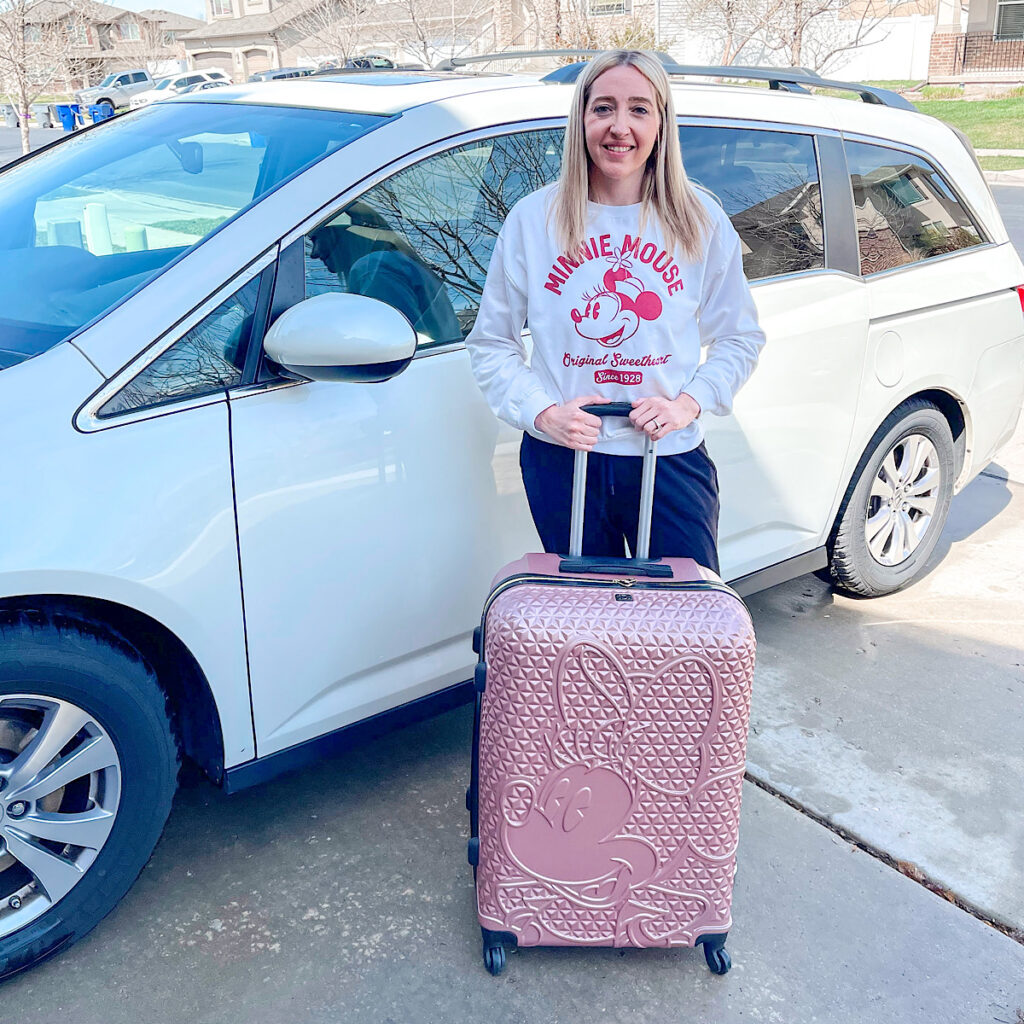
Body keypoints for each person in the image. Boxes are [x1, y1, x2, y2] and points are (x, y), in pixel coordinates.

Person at [464, 49, 767, 574]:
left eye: (638, 109)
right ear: (581, 118)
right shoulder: (535, 220)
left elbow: (740, 337)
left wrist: (687, 405)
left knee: (682, 625)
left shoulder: (699, 219)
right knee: (589, 633)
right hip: (563, 460)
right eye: (603, 108)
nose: (619, 127)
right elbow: (491, 344)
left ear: (662, 123)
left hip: (667, 459)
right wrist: (543, 413)